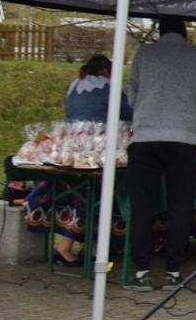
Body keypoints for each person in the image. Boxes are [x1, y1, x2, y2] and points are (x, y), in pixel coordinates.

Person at [126, 16, 196, 291]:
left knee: (142, 206)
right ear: (185, 33)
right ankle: (173, 271)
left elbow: (132, 94)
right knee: (180, 206)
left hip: (145, 138)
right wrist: (191, 112)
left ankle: (142, 271)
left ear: (159, 32)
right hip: (183, 139)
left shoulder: (145, 53)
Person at [43, 55, 133, 266]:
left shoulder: (73, 86)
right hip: (97, 150)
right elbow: (129, 112)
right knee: (95, 196)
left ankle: (91, 248)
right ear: (105, 70)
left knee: (86, 195)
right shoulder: (107, 87)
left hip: (71, 148)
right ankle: (69, 247)